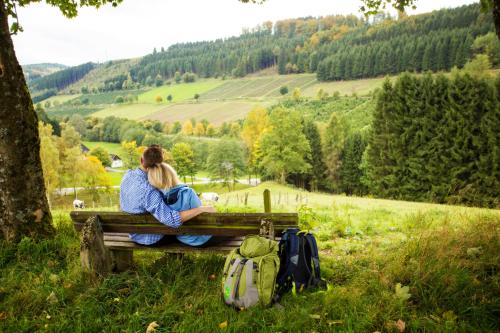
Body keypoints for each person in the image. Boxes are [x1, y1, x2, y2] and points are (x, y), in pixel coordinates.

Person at [120, 145, 215, 246]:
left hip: (133, 233)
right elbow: (172, 220)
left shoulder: (127, 175)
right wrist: (201, 209)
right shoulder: (150, 191)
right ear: (161, 164)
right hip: (149, 238)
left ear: (141, 160)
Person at [148, 161, 212, 246]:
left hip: (182, 238)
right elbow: (202, 216)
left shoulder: (157, 198)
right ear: (171, 174)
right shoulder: (188, 192)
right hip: (200, 239)